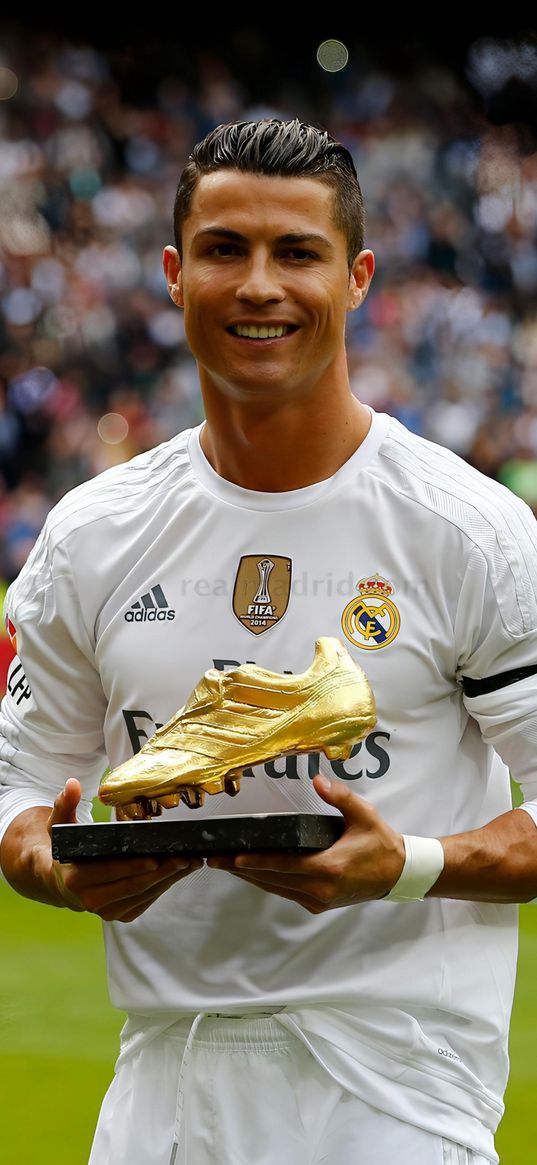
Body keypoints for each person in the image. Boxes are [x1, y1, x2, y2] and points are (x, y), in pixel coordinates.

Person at [1, 117, 536, 1165]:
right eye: (223, 250)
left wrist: (410, 864)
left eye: (297, 253)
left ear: (359, 278)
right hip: (157, 1088)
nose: (258, 285)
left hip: (393, 1094)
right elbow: (19, 779)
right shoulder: (93, 533)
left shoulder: (468, 531)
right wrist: (51, 862)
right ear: (171, 272)